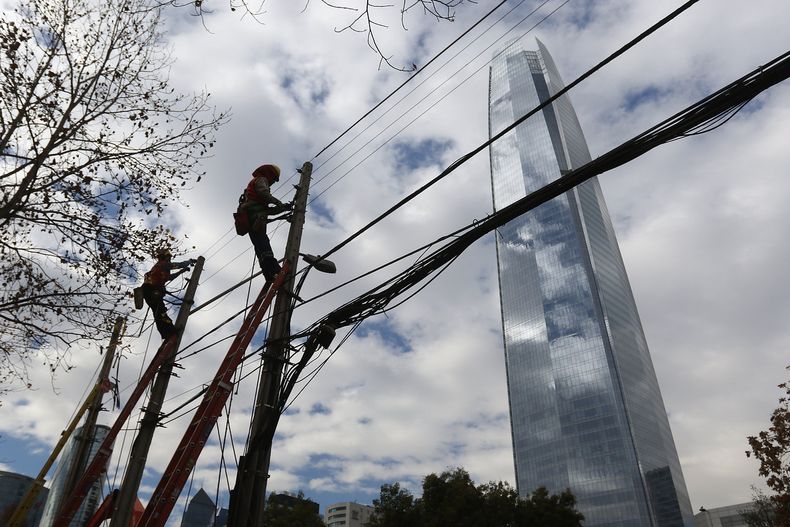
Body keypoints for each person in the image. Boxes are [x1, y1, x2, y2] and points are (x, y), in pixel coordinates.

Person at [239, 164, 291, 282]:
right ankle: (275, 271)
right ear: (270, 174)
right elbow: (264, 193)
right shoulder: (261, 180)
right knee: (263, 244)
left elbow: (266, 210)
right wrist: (278, 203)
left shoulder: (256, 199)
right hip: (254, 218)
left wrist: (283, 208)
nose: (273, 182)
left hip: (253, 219)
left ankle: (269, 275)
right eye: (274, 179)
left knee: (260, 247)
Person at [141, 249, 195, 339]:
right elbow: (180, 265)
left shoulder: (159, 268)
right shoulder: (163, 264)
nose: (169, 259)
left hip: (149, 291)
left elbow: (170, 277)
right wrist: (189, 261)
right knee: (160, 311)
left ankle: (166, 333)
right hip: (151, 290)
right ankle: (169, 332)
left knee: (159, 312)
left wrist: (182, 271)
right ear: (164, 257)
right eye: (168, 257)